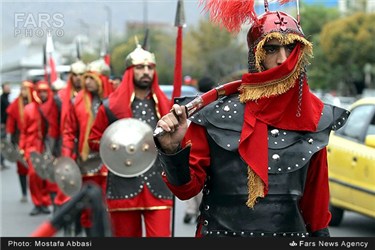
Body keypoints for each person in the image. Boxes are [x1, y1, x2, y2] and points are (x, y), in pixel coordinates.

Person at [154, 1, 350, 237]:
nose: (282, 59)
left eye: (291, 49)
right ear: (256, 54)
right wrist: (171, 149)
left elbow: (316, 208)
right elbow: (186, 190)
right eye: (271, 49)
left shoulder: (314, 116)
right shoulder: (214, 113)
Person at [88, 44, 173, 237]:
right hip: (122, 184)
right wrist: (115, 144)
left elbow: (177, 144)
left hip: (158, 184)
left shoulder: (166, 106)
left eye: (150, 67)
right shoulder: (110, 107)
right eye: (140, 67)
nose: (146, 72)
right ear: (129, 71)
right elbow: (93, 140)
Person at [62, 58, 113, 236]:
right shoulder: (76, 101)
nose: (87, 81)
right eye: (86, 78)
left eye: (92, 78)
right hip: (85, 162)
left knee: (111, 206)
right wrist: (67, 158)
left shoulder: (115, 100)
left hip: (112, 162)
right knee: (88, 208)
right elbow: (69, 132)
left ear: (102, 79)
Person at [19, 80, 59, 216]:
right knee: (33, 175)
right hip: (33, 146)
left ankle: (46, 202)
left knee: (48, 176)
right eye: (40, 91)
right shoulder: (29, 108)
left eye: (45, 91)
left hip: (48, 146)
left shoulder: (53, 107)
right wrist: (22, 148)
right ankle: (37, 203)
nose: (42, 94)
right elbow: (23, 131)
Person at [5, 80, 34, 202]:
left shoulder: (36, 105)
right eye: (22, 89)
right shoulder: (15, 105)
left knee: (35, 170)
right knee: (22, 168)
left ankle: (37, 195)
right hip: (19, 140)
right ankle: (24, 193)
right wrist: (11, 142)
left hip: (34, 141)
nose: (23, 92)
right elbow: (11, 124)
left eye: (25, 89)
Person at [1, 83, 11, 170]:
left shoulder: (6, 98)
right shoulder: (2, 99)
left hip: (6, 124)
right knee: (2, 144)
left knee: (4, 144)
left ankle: (2, 162)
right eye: (7, 88)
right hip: (2, 125)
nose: (9, 89)